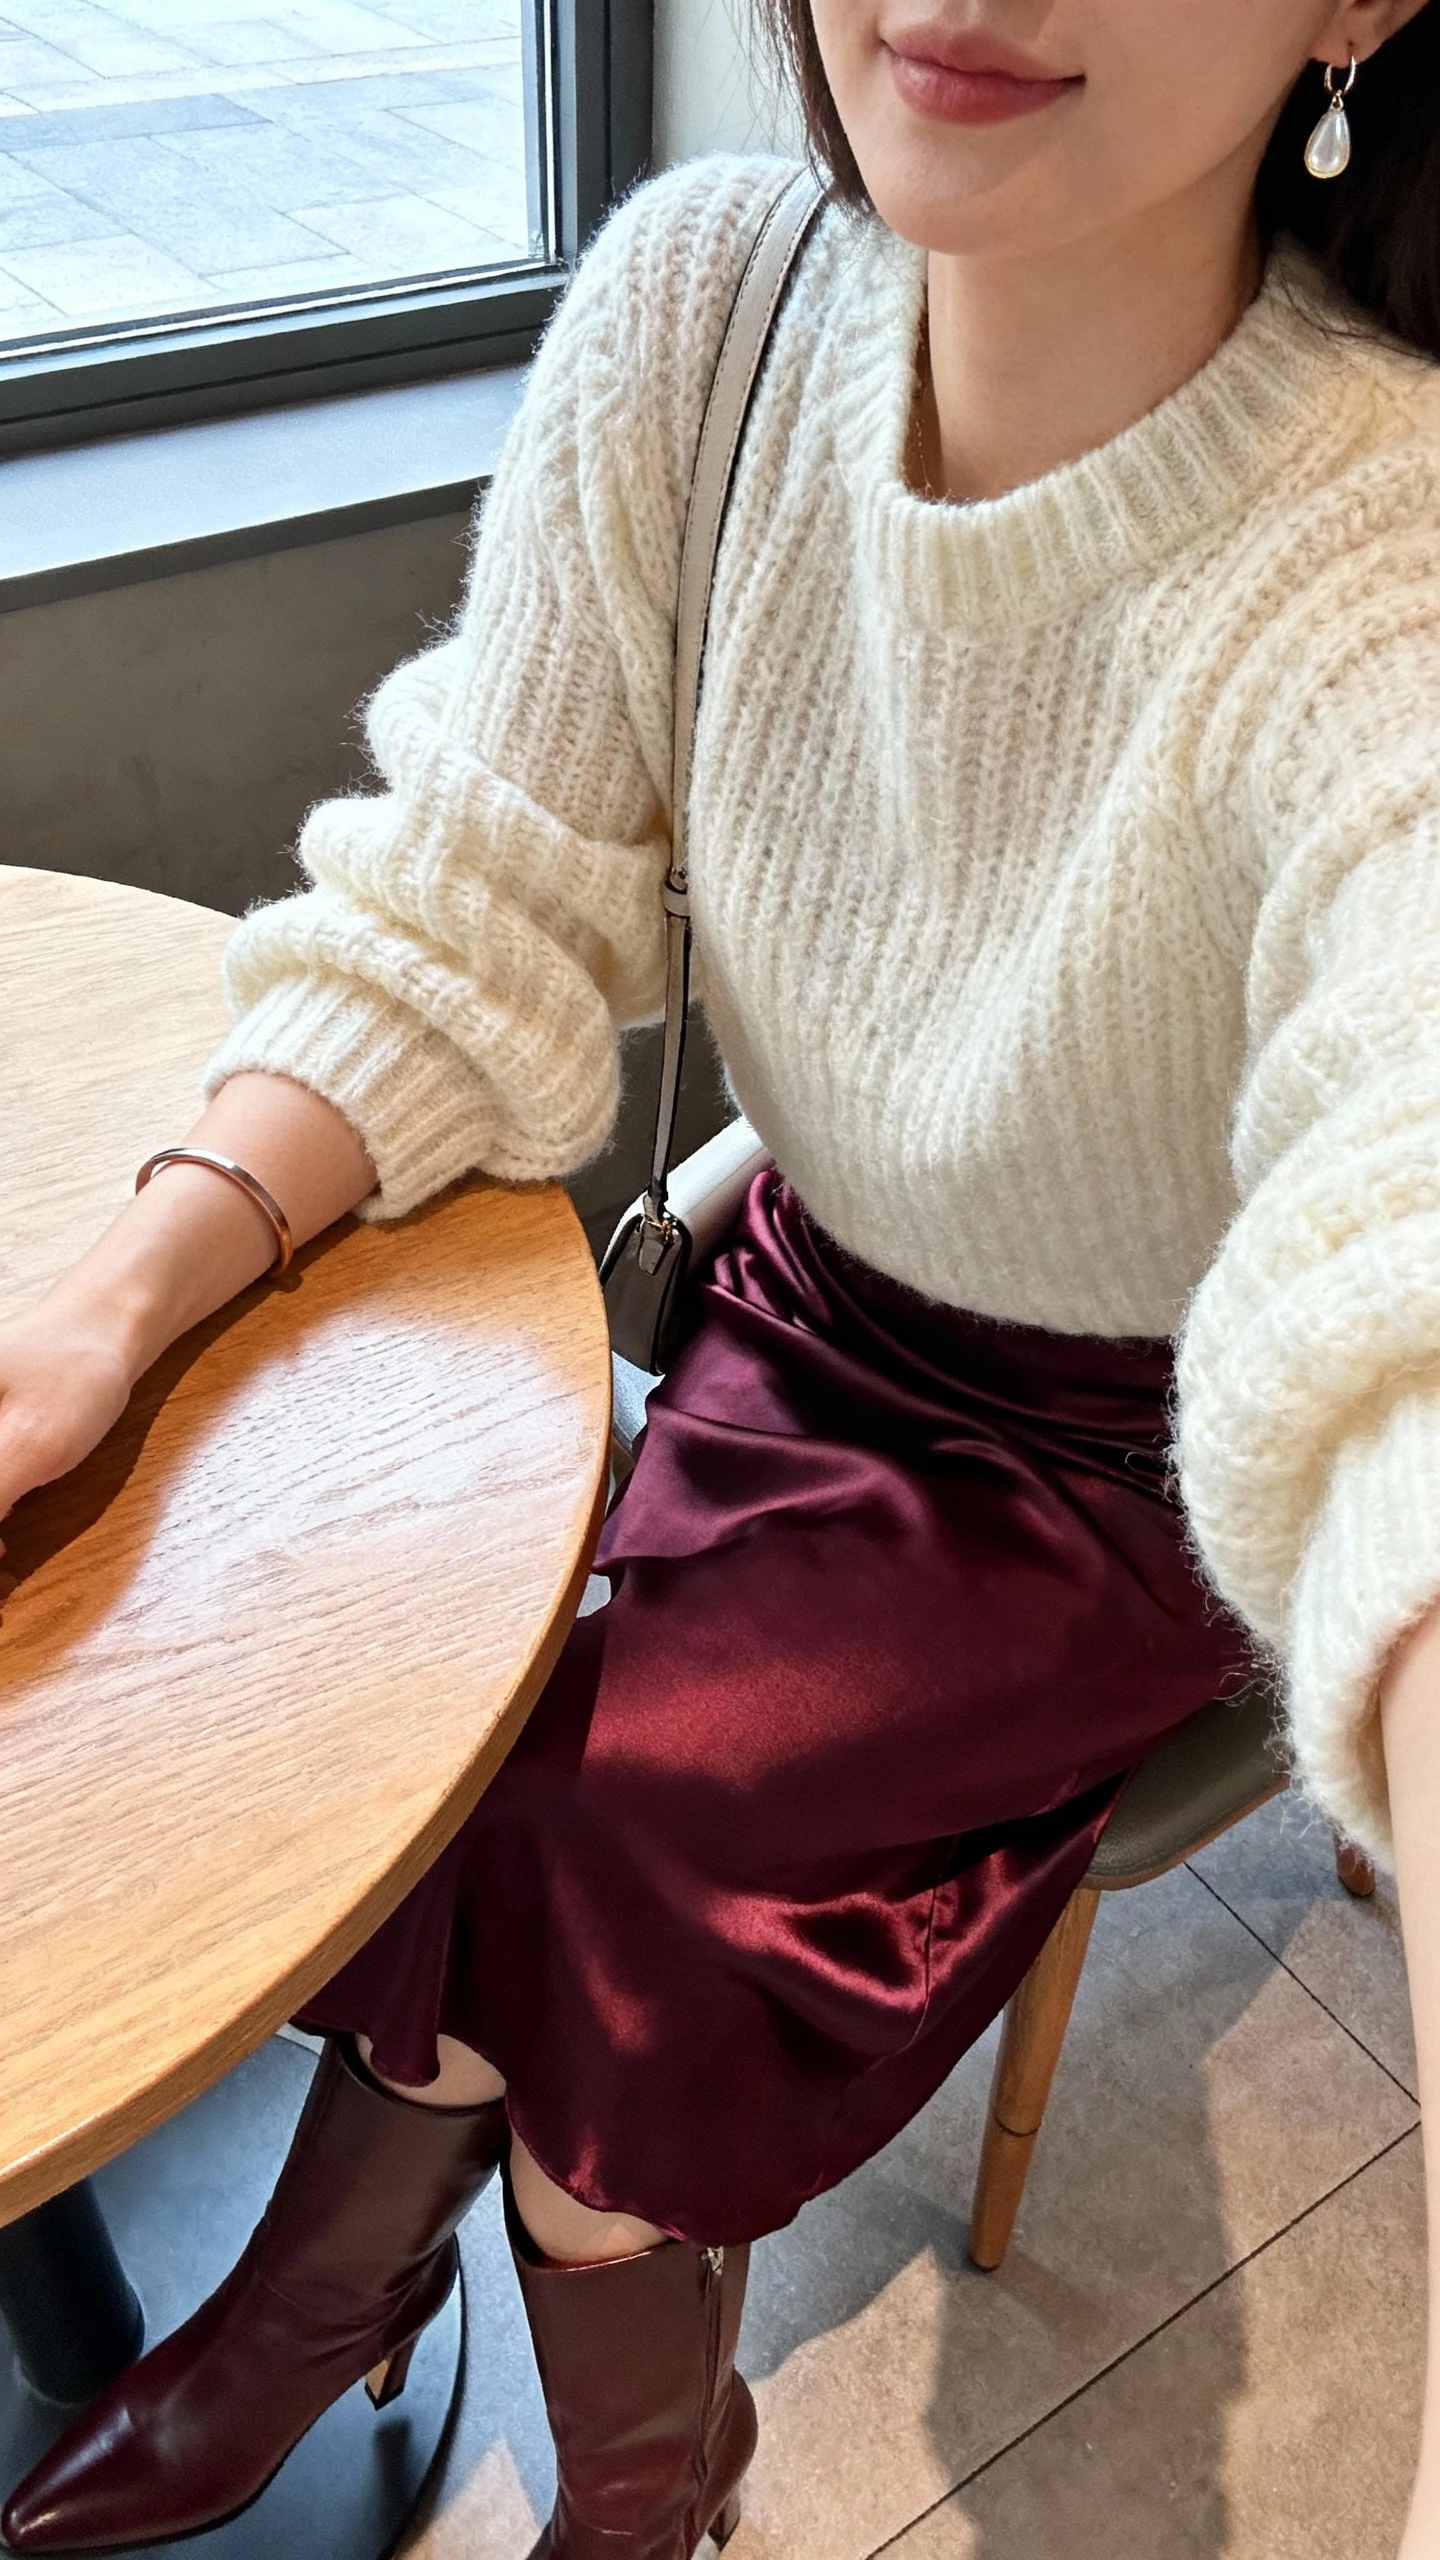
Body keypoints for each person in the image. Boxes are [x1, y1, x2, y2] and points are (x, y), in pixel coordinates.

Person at [4, 0, 1440, 2550]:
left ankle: (573, 2431)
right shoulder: (709, 310)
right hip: (796, 1302)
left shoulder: (1389, 568)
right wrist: (106, 1303)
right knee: (443, 1687)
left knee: (630, 1824)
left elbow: (1406, 1318)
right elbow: (481, 888)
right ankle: (367, 2325)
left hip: (1102, 1464)